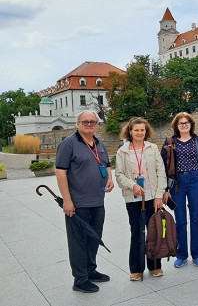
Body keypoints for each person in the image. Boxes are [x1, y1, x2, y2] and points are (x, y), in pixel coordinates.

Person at [55, 110, 114, 293]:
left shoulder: (98, 142)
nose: (89, 124)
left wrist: (110, 178)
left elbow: (106, 164)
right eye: (85, 121)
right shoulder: (69, 144)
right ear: (78, 124)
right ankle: (80, 279)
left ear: (97, 124)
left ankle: (90, 270)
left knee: (93, 239)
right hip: (78, 203)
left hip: (98, 201)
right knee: (78, 242)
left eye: (93, 121)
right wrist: (67, 200)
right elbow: (60, 171)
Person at [115, 117, 169, 281]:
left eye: (142, 130)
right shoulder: (122, 151)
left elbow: (161, 172)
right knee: (137, 232)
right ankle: (136, 268)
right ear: (129, 132)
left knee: (154, 232)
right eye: (136, 130)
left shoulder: (153, 148)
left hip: (153, 197)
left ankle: (155, 266)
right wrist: (133, 185)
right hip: (134, 198)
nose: (139, 132)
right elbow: (119, 175)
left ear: (146, 132)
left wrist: (159, 195)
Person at [163, 112, 198, 268]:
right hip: (177, 183)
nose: (184, 125)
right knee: (180, 219)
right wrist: (165, 188)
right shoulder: (170, 142)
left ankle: (197, 254)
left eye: (186, 122)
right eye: (181, 123)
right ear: (176, 125)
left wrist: (196, 173)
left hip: (195, 180)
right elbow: (164, 165)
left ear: (191, 124)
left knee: (195, 218)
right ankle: (181, 254)